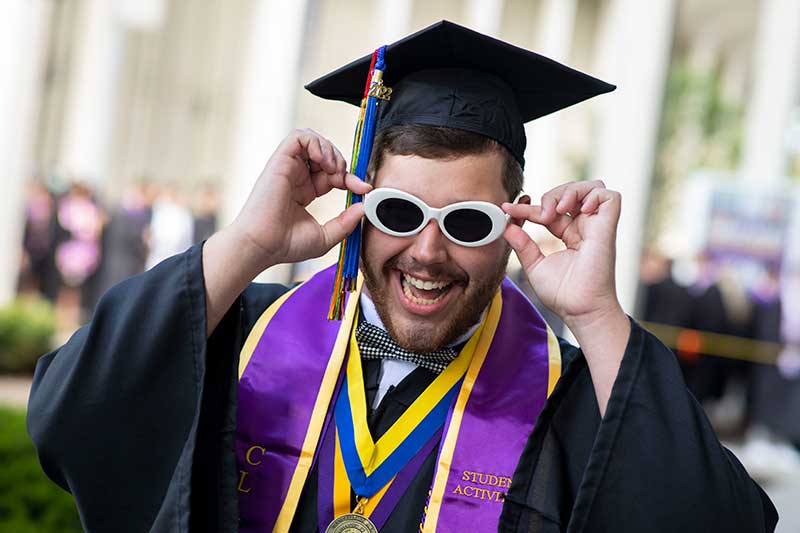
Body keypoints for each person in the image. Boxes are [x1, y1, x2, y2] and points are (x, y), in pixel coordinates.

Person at [27, 21, 776, 532]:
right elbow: (70, 419)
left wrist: (599, 317)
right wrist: (247, 244)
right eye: (398, 210)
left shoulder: (574, 398)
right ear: (358, 199)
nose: (426, 251)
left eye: (468, 222)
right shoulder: (239, 335)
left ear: (514, 225)